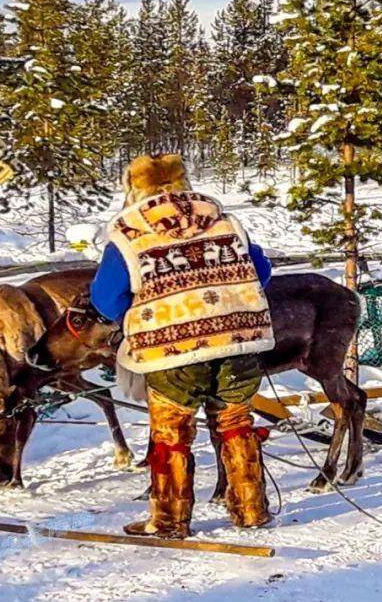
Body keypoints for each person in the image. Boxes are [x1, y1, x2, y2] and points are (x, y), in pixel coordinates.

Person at [90, 154, 275, 539]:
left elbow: (106, 297)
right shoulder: (223, 222)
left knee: (171, 435)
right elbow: (261, 270)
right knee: (236, 425)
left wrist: (144, 313)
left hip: (172, 349)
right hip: (236, 341)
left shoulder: (129, 234)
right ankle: (250, 510)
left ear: (134, 189)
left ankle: (170, 519)